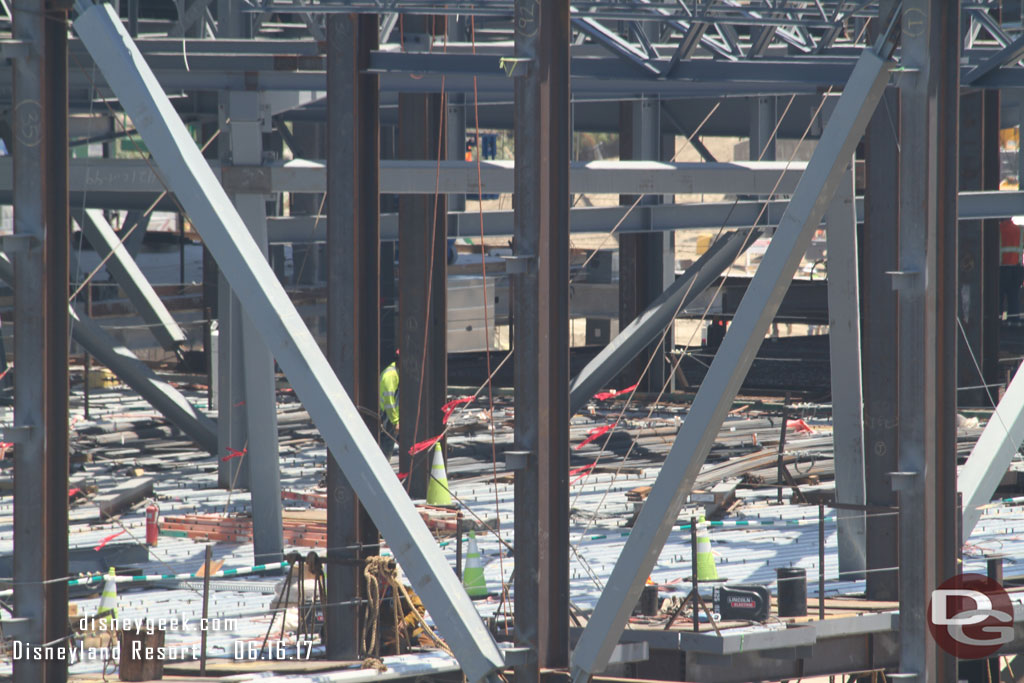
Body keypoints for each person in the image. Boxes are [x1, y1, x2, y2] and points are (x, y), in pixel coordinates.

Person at [1000, 217, 1024, 321]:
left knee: (998, 299)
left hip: (1000, 269)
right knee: (1014, 299)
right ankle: (1014, 322)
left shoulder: (997, 230)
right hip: (1016, 270)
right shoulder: (1020, 230)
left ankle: (996, 322)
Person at [379, 351, 400, 446]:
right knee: (385, 448)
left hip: (389, 417)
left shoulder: (395, 372)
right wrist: (395, 421)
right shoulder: (392, 375)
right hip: (386, 417)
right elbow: (389, 401)